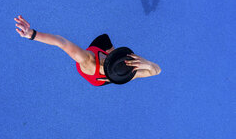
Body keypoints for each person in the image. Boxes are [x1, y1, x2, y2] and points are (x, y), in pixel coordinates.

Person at [14, 15, 161, 86]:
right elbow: (157, 70)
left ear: (108, 57)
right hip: (105, 76)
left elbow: (62, 42)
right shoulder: (127, 72)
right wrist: (146, 63)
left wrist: (31, 34)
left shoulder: (86, 59)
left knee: (102, 39)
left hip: (95, 71)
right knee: (105, 38)